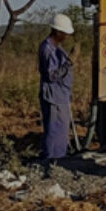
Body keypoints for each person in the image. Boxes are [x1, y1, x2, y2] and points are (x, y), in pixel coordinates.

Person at [38, 13, 78, 159]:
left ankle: (59, 158)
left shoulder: (57, 48)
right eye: (65, 33)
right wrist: (70, 61)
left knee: (61, 131)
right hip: (53, 96)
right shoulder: (48, 49)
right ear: (57, 31)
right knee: (54, 130)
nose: (67, 37)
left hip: (60, 95)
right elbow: (52, 75)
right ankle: (51, 160)